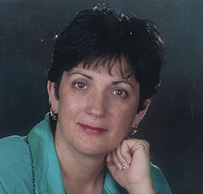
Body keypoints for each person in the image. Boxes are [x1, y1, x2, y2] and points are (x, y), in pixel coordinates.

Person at [0, 5, 172, 194]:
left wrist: (141, 189)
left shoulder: (146, 180)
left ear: (140, 111)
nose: (97, 109)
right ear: (54, 94)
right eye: (80, 85)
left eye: (118, 92)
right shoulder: (5, 171)